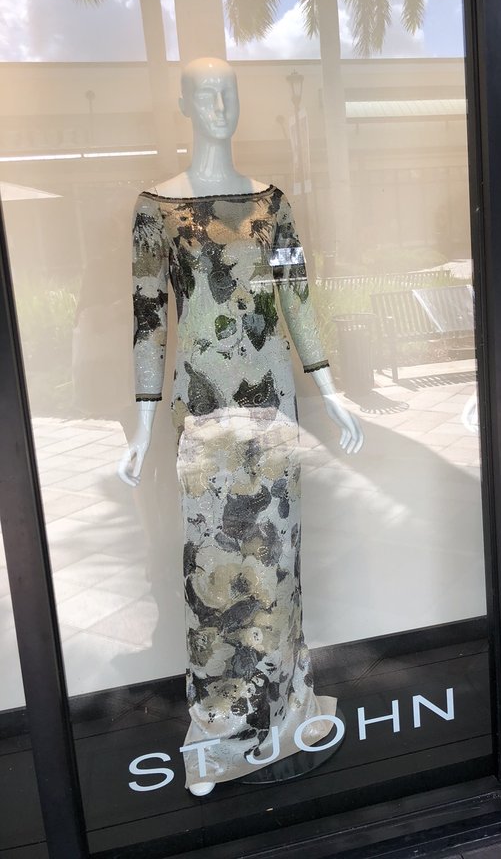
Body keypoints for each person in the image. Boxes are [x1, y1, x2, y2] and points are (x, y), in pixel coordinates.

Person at [119, 56, 363, 793]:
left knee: (278, 563)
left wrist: (329, 390)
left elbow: (296, 298)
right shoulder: (156, 208)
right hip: (202, 416)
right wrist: (142, 423)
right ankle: (217, 735)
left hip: (273, 410)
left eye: (228, 93)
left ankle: (286, 706)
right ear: (184, 104)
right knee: (214, 573)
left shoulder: (272, 203)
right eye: (206, 94)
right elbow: (148, 321)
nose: (220, 105)